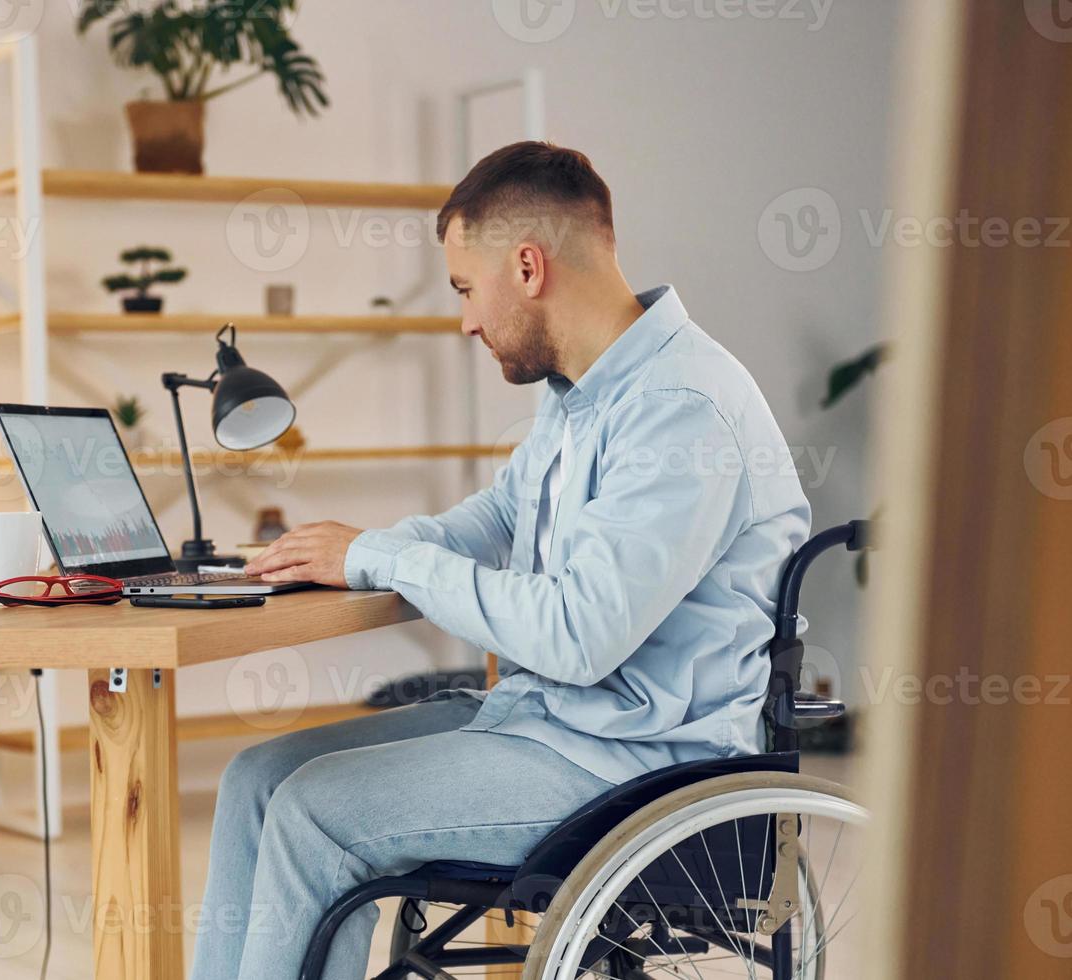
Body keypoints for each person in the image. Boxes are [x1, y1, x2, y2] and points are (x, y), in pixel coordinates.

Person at [189, 140, 811, 980]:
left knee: (313, 813)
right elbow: (498, 517)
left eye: (464, 289)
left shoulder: (681, 411)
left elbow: (576, 636)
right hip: (549, 723)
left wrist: (381, 559)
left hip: (641, 763)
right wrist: (345, 554)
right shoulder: (584, 392)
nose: (466, 321)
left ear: (527, 267)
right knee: (257, 776)